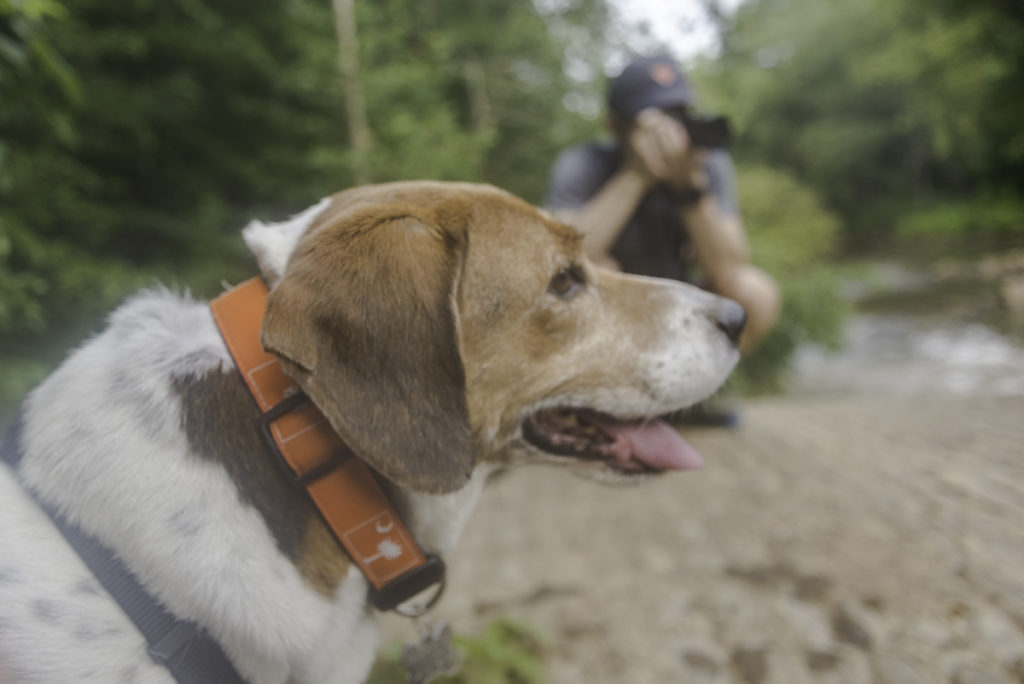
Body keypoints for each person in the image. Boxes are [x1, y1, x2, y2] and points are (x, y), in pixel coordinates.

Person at [545, 56, 780, 359]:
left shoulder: (705, 164)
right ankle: (609, 401)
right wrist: (636, 176)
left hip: (682, 299)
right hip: (615, 308)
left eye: (680, 115)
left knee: (754, 292)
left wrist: (690, 189)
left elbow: (729, 267)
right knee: (595, 269)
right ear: (617, 127)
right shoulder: (584, 163)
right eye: (658, 119)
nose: (674, 133)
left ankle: (696, 394)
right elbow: (564, 259)